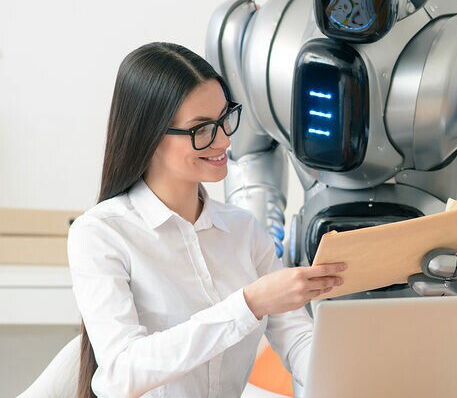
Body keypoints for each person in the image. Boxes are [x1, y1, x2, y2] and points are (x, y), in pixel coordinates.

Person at [67, 42, 346, 398]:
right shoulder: (101, 234)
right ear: (150, 137)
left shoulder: (244, 231)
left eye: (225, 118)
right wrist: (248, 304)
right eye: (202, 129)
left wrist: (348, 376)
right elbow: (123, 372)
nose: (225, 139)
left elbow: (296, 337)